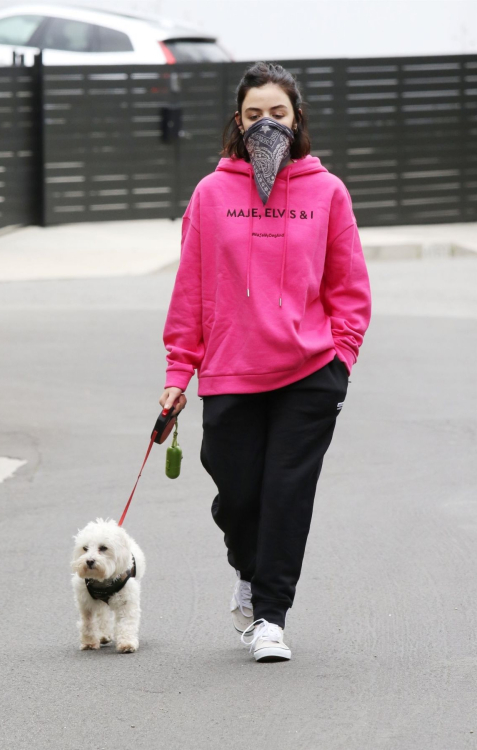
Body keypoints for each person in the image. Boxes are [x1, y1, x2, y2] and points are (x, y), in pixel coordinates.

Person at [159, 61, 372, 663]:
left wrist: (342, 356)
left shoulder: (327, 192)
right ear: (238, 120)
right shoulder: (211, 193)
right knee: (238, 495)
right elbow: (192, 290)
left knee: (286, 494)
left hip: (309, 372)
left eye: (277, 114)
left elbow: (348, 286)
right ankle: (248, 572)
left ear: (296, 118)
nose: (266, 126)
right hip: (231, 370)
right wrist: (180, 372)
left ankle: (271, 617)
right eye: (255, 115)